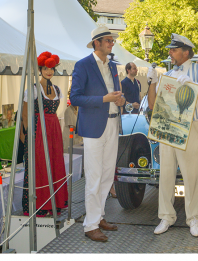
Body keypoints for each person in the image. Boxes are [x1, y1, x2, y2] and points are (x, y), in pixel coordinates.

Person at [147, 33, 198, 238]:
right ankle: (166, 216)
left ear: (186, 52)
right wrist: (151, 82)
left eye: (173, 49)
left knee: (190, 173)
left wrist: (192, 86)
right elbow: (152, 105)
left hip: (190, 125)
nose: (170, 52)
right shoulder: (167, 73)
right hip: (168, 125)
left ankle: (193, 218)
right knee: (165, 173)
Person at [69, 25, 125, 242]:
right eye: (108, 40)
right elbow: (75, 98)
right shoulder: (82, 65)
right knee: (93, 177)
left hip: (112, 124)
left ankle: (99, 216)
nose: (112, 43)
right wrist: (105, 99)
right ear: (97, 43)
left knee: (107, 175)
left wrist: (120, 100)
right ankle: (90, 225)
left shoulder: (112, 66)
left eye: (112, 40)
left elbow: (116, 95)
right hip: (93, 128)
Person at [22, 52, 68, 217]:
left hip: (53, 127)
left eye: (52, 69)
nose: (49, 71)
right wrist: (30, 135)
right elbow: (25, 114)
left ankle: (54, 202)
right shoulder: (33, 89)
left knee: (55, 162)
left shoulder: (57, 89)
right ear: (40, 69)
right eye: (46, 68)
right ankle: (40, 204)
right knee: (39, 165)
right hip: (38, 129)